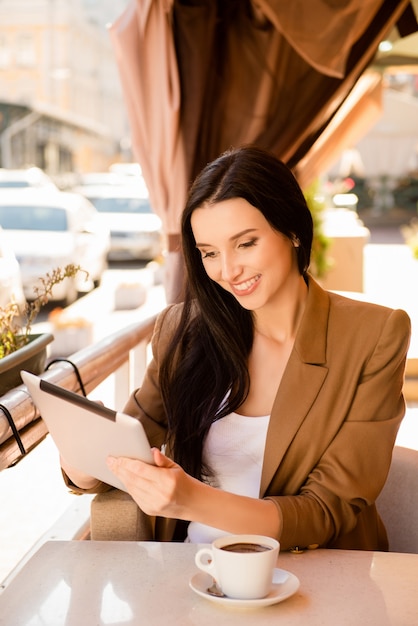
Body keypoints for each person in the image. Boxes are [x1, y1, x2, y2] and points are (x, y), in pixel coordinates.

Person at [62, 145, 411, 551]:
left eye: (245, 244)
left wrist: (191, 499)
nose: (228, 271)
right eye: (209, 253)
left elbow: (326, 510)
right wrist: (84, 461)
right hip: (196, 574)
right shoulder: (183, 330)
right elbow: (132, 441)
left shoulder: (374, 335)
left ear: (293, 230)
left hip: (316, 576)